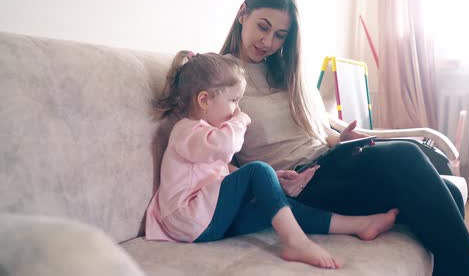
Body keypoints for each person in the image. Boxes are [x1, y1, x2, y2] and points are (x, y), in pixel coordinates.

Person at [219, 0, 469, 276]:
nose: (268, 42)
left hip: (327, 164)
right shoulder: (219, 76)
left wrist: (340, 140)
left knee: (445, 183)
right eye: (263, 27)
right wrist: (269, 182)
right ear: (243, 14)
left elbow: (315, 131)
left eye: (279, 35)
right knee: (407, 155)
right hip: (296, 185)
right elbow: (214, 158)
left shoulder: (285, 71)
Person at [144, 51, 399, 269]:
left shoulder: (202, 136)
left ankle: (358, 225)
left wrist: (270, 183)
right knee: (258, 170)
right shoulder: (186, 131)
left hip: (205, 220)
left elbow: (220, 175)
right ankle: (296, 243)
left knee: (275, 207)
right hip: (188, 220)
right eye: (233, 101)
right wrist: (240, 121)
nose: (237, 109)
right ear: (203, 100)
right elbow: (225, 147)